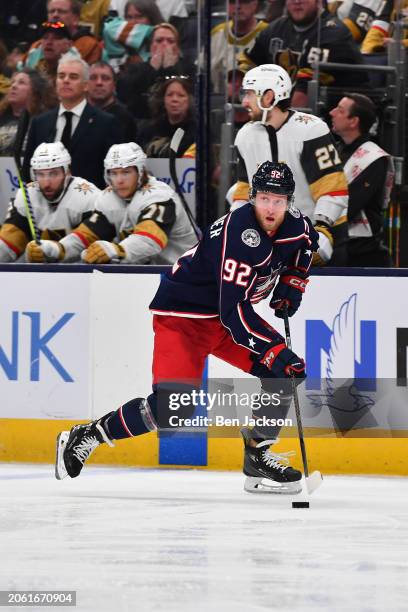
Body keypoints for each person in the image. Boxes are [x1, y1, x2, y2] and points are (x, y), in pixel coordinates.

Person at [55, 160, 319, 495]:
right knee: (173, 408)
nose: (270, 207)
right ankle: (88, 435)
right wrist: (273, 348)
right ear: (252, 197)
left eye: (278, 201)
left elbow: (309, 244)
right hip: (184, 317)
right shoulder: (240, 235)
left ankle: (257, 456)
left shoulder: (296, 224)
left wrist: (294, 282)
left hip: (224, 319)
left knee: (284, 374)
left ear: (290, 202)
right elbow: (233, 311)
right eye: (264, 198)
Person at [231, 64, 349, 265]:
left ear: (269, 97)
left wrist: (321, 229)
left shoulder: (311, 130)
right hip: (272, 241)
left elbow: (333, 187)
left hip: (322, 235)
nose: (244, 102)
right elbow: (244, 188)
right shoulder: (245, 135)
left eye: (249, 94)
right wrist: (234, 226)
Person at [46, 142, 197, 264]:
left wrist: (117, 251)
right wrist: (59, 248)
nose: (119, 180)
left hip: (186, 273)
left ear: (141, 171)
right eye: (114, 173)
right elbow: (87, 235)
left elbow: (149, 241)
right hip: (149, 274)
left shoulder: (158, 196)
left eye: (126, 172)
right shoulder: (108, 198)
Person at [238, 0, 368, 108]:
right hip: (280, 111)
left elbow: (302, 97)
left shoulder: (334, 34)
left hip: (335, 119)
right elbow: (247, 65)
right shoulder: (276, 28)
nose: (297, 1)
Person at [23, 55, 123, 189]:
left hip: (90, 203)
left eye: (73, 77)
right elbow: (28, 170)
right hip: (45, 203)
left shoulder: (106, 123)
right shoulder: (40, 123)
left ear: (86, 85)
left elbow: (113, 171)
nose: (66, 81)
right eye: (61, 76)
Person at [0, 142, 99, 262]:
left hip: (82, 274)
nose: (46, 183)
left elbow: (91, 245)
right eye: (40, 174)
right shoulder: (26, 196)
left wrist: (56, 250)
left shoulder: (89, 197)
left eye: (54, 174)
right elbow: (9, 242)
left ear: (67, 172)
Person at [330, 93, 394, 267]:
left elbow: (349, 206)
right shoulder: (334, 150)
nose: (332, 112)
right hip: (333, 246)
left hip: (360, 255)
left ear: (353, 121)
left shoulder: (373, 158)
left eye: (340, 110)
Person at [116, 23, 195, 120]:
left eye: (170, 41)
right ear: (151, 46)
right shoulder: (136, 69)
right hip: (144, 121)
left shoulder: (190, 69)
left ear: (177, 48)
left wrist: (170, 69)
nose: (164, 45)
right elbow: (125, 95)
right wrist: (151, 68)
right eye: (159, 40)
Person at [210, 0, 268, 94]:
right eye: (232, 2)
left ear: (255, 4)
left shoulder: (268, 32)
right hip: (220, 103)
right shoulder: (217, 33)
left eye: (244, 1)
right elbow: (202, 71)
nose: (237, 6)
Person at [25, 0, 102, 66]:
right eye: (51, 11)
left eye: (61, 11)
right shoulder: (36, 46)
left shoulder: (90, 45)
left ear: (76, 18)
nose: (55, 15)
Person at [0, 69, 56, 156]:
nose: (14, 86)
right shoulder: (2, 116)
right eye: (12, 83)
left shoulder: (43, 121)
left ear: (35, 91)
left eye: (21, 83)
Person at [138, 75, 195, 157]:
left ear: (189, 100)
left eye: (181, 95)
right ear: (163, 100)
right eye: (170, 95)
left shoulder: (197, 131)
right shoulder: (149, 130)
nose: (174, 99)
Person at [87, 61, 137, 140]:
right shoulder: (78, 113)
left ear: (114, 85)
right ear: (85, 84)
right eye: (93, 78)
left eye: (105, 78)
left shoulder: (125, 118)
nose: (99, 83)